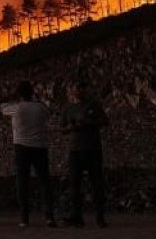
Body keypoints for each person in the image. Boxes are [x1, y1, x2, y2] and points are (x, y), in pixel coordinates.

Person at [0, 80, 56, 227]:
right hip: (40, 146)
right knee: (44, 181)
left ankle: (24, 218)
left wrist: (11, 96)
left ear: (19, 94)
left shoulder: (16, 108)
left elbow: (1, 106)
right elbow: (48, 115)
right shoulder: (40, 108)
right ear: (32, 92)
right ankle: (49, 216)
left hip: (22, 147)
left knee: (22, 182)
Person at [61, 80, 109, 228]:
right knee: (74, 185)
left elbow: (105, 121)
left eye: (82, 88)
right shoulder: (68, 108)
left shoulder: (94, 105)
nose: (79, 91)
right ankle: (77, 217)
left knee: (97, 184)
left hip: (92, 149)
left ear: (86, 90)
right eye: (77, 88)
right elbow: (62, 129)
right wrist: (72, 126)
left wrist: (89, 122)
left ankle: (100, 218)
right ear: (72, 91)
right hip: (75, 150)